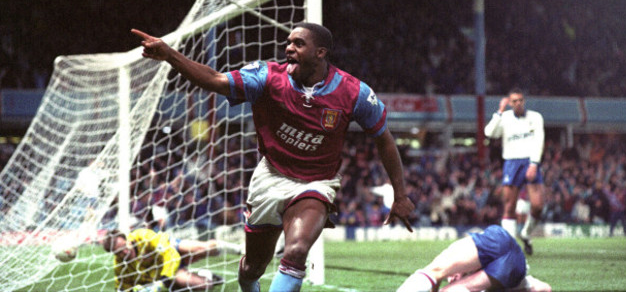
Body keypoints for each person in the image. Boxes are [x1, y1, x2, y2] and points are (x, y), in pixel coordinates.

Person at [131, 23, 415, 292]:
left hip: (316, 183)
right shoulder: (267, 76)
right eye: (288, 42)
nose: (289, 48)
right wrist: (169, 55)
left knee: (296, 251)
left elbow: (384, 140)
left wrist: (400, 195)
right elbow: (215, 79)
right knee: (253, 267)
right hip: (271, 176)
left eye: (298, 43)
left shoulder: (353, 92)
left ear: (321, 52)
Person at [397, 225, 552, 292]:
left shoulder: (456, 256)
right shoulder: (481, 285)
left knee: (435, 270)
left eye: (452, 277)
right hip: (516, 268)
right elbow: (545, 288)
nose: (452, 279)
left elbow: (436, 273)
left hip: (499, 242)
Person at [484, 88, 545, 255]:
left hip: (530, 161)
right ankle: (512, 248)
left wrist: (534, 163)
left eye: (520, 100)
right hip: (511, 162)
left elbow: (539, 140)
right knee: (509, 205)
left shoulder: (535, 117)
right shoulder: (504, 118)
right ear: (510, 103)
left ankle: (525, 233)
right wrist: (499, 111)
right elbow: (489, 133)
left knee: (538, 205)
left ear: (524, 101)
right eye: (514, 101)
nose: (518, 103)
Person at [102, 228, 231, 291]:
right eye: (119, 252)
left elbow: (170, 254)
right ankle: (206, 275)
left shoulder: (142, 236)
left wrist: (164, 278)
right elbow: (123, 287)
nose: (125, 252)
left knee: (203, 247)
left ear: (127, 240)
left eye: (124, 246)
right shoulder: (120, 266)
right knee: (204, 285)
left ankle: (237, 249)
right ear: (114, 253)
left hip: (171, 251)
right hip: (167, 275)